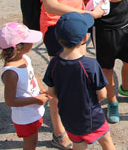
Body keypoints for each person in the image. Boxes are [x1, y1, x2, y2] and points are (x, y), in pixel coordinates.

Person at [33, 0, 110, 149]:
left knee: (76, 78)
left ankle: (76, 119)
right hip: (59, 28)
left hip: (78, 24)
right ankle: (59, 130)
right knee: (63, 81)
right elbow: (50, 3)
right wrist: (87, 16)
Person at [43, 12, 115, 150]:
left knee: (78, 145)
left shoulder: (54, 64)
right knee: (107, 143)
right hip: (91, 116)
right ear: (84, 38)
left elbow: (52, 92)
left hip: (68, 118)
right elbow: (102, 95)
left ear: (58, 38)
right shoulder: (90, 65)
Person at [0, 22, 50, 150]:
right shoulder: (11, 73)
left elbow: (32, 74)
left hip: (33, 110)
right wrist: (37, 100)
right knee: (30, 143)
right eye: (29, 41)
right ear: (18, 47)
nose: (32, 43)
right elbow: (10, 101)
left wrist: (41, 88)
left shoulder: (24, 58)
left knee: (34, 139)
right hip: (25, 116)